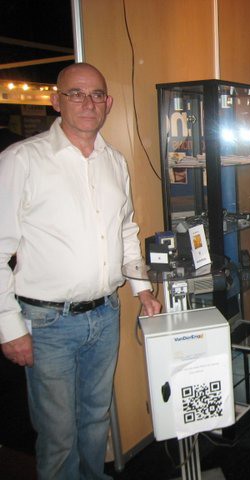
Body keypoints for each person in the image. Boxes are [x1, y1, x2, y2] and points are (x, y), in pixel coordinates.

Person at [0, 63, 162, 479]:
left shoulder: (115, 162)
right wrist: (9, 327)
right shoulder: (22, 160)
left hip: (105, 315)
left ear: (108, 103)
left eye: (96, 95)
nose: (88, 103)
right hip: (48, 323)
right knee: (58, 434)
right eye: (76, 93)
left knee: (95, 419)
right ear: (57, 101)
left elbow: (126, 231)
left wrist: (142, 290)